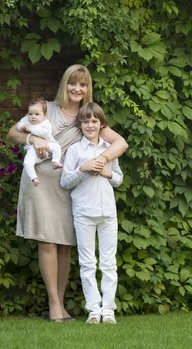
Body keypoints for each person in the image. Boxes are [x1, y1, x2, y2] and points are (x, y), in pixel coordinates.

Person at [7, 64, 128, 322]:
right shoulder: (47, 109)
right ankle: (54, 306)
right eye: (73, 83)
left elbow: (121, 143)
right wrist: (33, 140)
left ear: (88, 88)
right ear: (65, 84)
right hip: (39, 183)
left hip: (68, 187)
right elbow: (13, 133)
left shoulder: (87, 116)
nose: (77, 88)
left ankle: (62, 306)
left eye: (83, 84)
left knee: (64, 245)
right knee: (47, 241)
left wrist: (101, 159)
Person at [60, 103, 123, 325]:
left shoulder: (108, 150)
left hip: (107, 212)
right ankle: (93, 310)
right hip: (84, 212)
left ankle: (108, 310)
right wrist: (82, 169)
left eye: (95, 121)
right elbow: (65, 181)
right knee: (88, 263)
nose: (90, 125)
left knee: (108, 262)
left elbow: (118, 179)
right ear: (80, 124)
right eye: (86, 121)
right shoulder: (75, 151)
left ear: (101, 124)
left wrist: (107, 172)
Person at [16, 97, 63, 186]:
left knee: (57, 147)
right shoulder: (26, 120)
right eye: (30, 114)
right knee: (27, 162)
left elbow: (45, 132)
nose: (33, 117)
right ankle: (34, 178)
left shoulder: (45, 123)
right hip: (32, 149)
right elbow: (18, 125)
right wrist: (21, 127)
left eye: (37, 114)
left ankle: (55, 161)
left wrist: (31, 130)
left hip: (48, 144)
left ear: (44, 115)